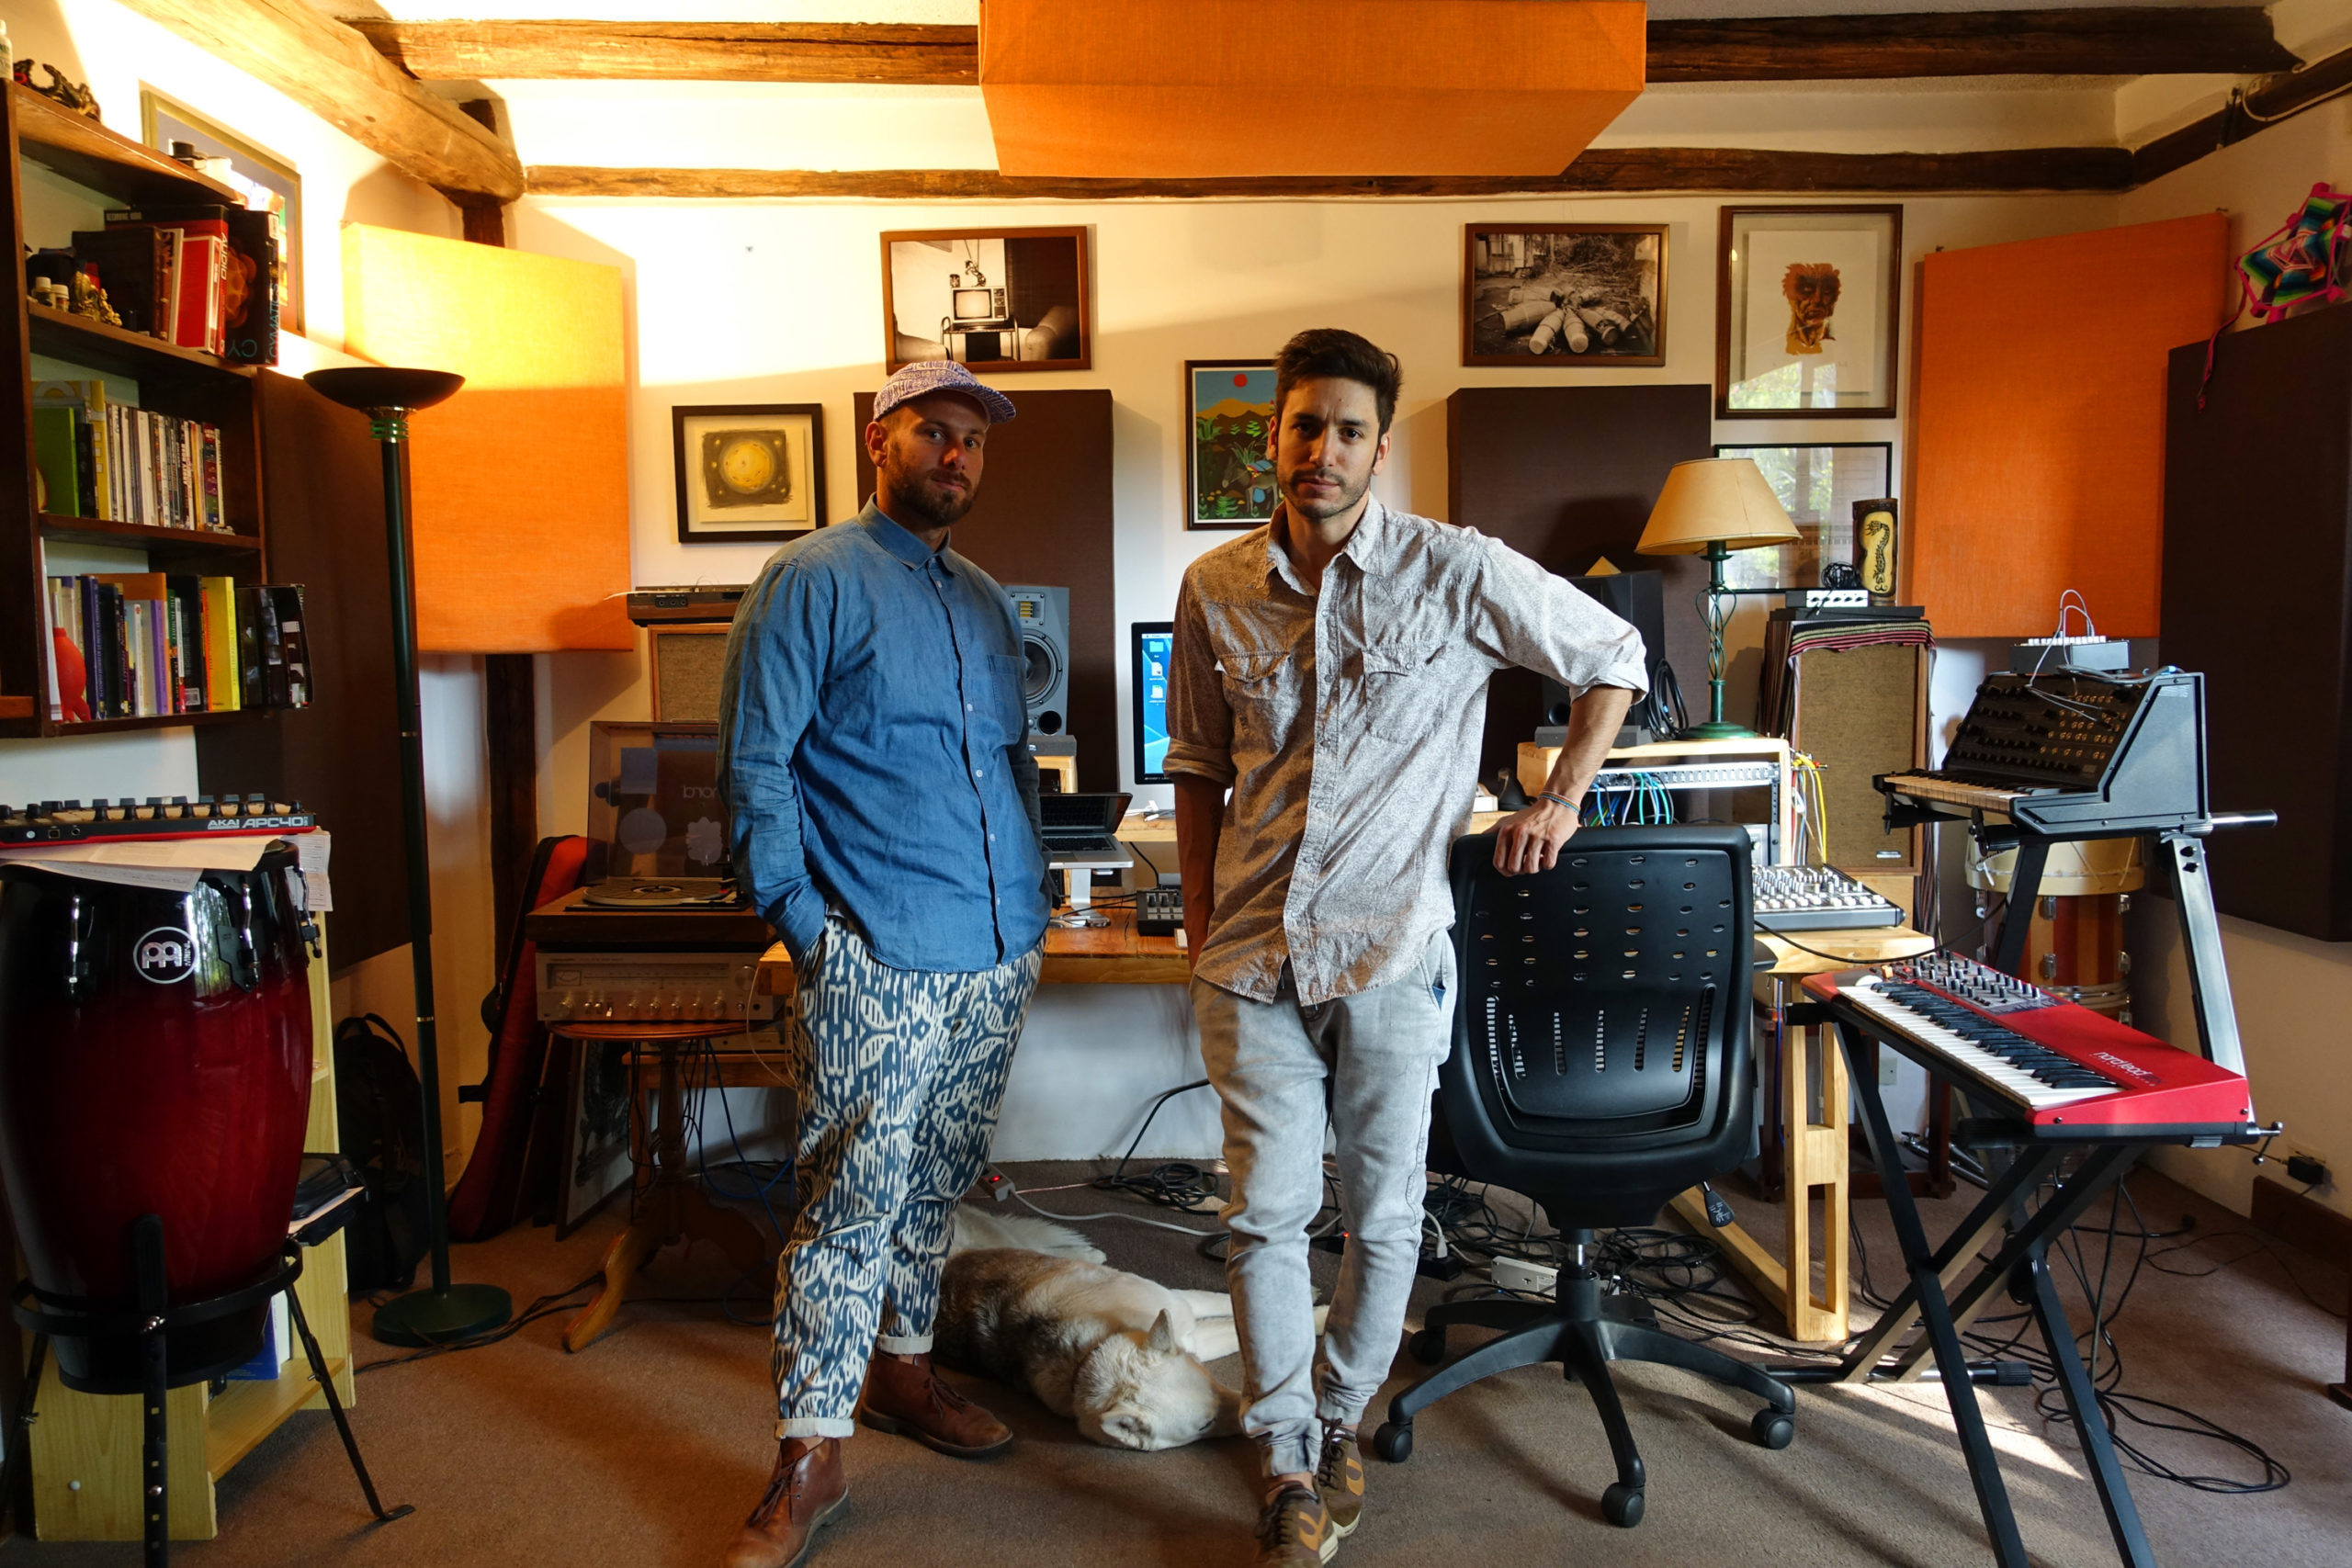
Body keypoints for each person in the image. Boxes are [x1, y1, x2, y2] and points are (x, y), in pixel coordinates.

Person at [1165, 328, 1648, 1565]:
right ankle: (1285, 1456)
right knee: (1265, 1217)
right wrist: (1201, 920)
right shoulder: (1215, 586)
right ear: (1272, 436)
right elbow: (1201, 767)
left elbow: (1615, 658)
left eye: (1349, 429)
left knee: (1382, 1217)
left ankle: (1338, 1419)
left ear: (1380, 447)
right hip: (1253, 957)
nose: (1321, 450)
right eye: (1303, 425)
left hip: (1392, 950)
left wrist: (1561, 801)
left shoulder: (1456, 569)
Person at [717, 360, 1053, 1568]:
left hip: (996, 945)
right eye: (933, 433)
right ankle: (810, 1450)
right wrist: (807, 926)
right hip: (877, 950)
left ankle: (902, 1369)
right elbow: (756, 762)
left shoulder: (987, 600)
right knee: (850, 1201)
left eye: (973, 440)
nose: (956, 456)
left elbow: (1010, 766)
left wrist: (1034, 907)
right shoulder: (810, 579)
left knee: (935, 1183)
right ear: (880, 441)